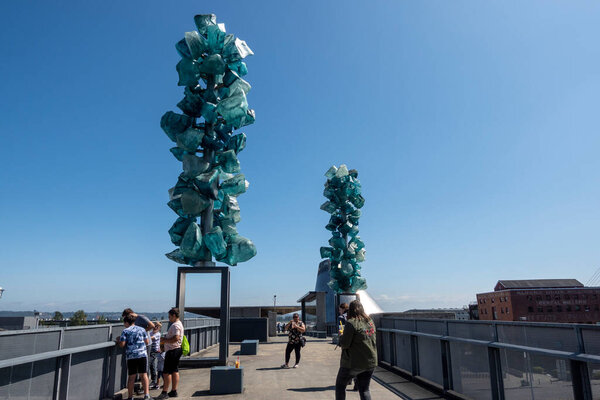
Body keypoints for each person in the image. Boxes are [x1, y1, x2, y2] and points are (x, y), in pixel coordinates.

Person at [335, 300, 377, 400]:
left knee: (340, 386)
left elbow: (345, 344)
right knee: (365, 390)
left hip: (353, 362)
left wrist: (341, 335)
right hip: (370, 361)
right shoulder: (370, 321)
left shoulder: (351, 323)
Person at [117, 313, 151, 400]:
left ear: (126, 322)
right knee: (144, 375)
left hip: (131, 356)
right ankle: (147, 395)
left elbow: (122, 344)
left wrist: (118, 340)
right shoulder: (142, 330)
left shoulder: (126, 331)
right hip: (142, 355)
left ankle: (130, 397)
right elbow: (147, 342)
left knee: (132, 377)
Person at [156, 308, 184, 399]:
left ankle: (164, 392)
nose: (169, 318)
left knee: (166, 372)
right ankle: (173, 391)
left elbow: (176, 338)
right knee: (174, 370)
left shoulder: (175, 325)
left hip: (173, 350)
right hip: (176, 349)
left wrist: (165, 340)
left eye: (169, 317)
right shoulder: (179, 324)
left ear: (174, 316)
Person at [149, 321, 162, 390]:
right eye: (154, 326)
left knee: (149, 363)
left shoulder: (157, 334)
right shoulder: (151, 333)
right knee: (152, 365)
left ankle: (154, 381)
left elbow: (151, 338)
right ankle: (154, 380)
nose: (155, 327)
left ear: (159, 328)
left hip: (154, 350)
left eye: (157, 326)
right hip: (150, 350)